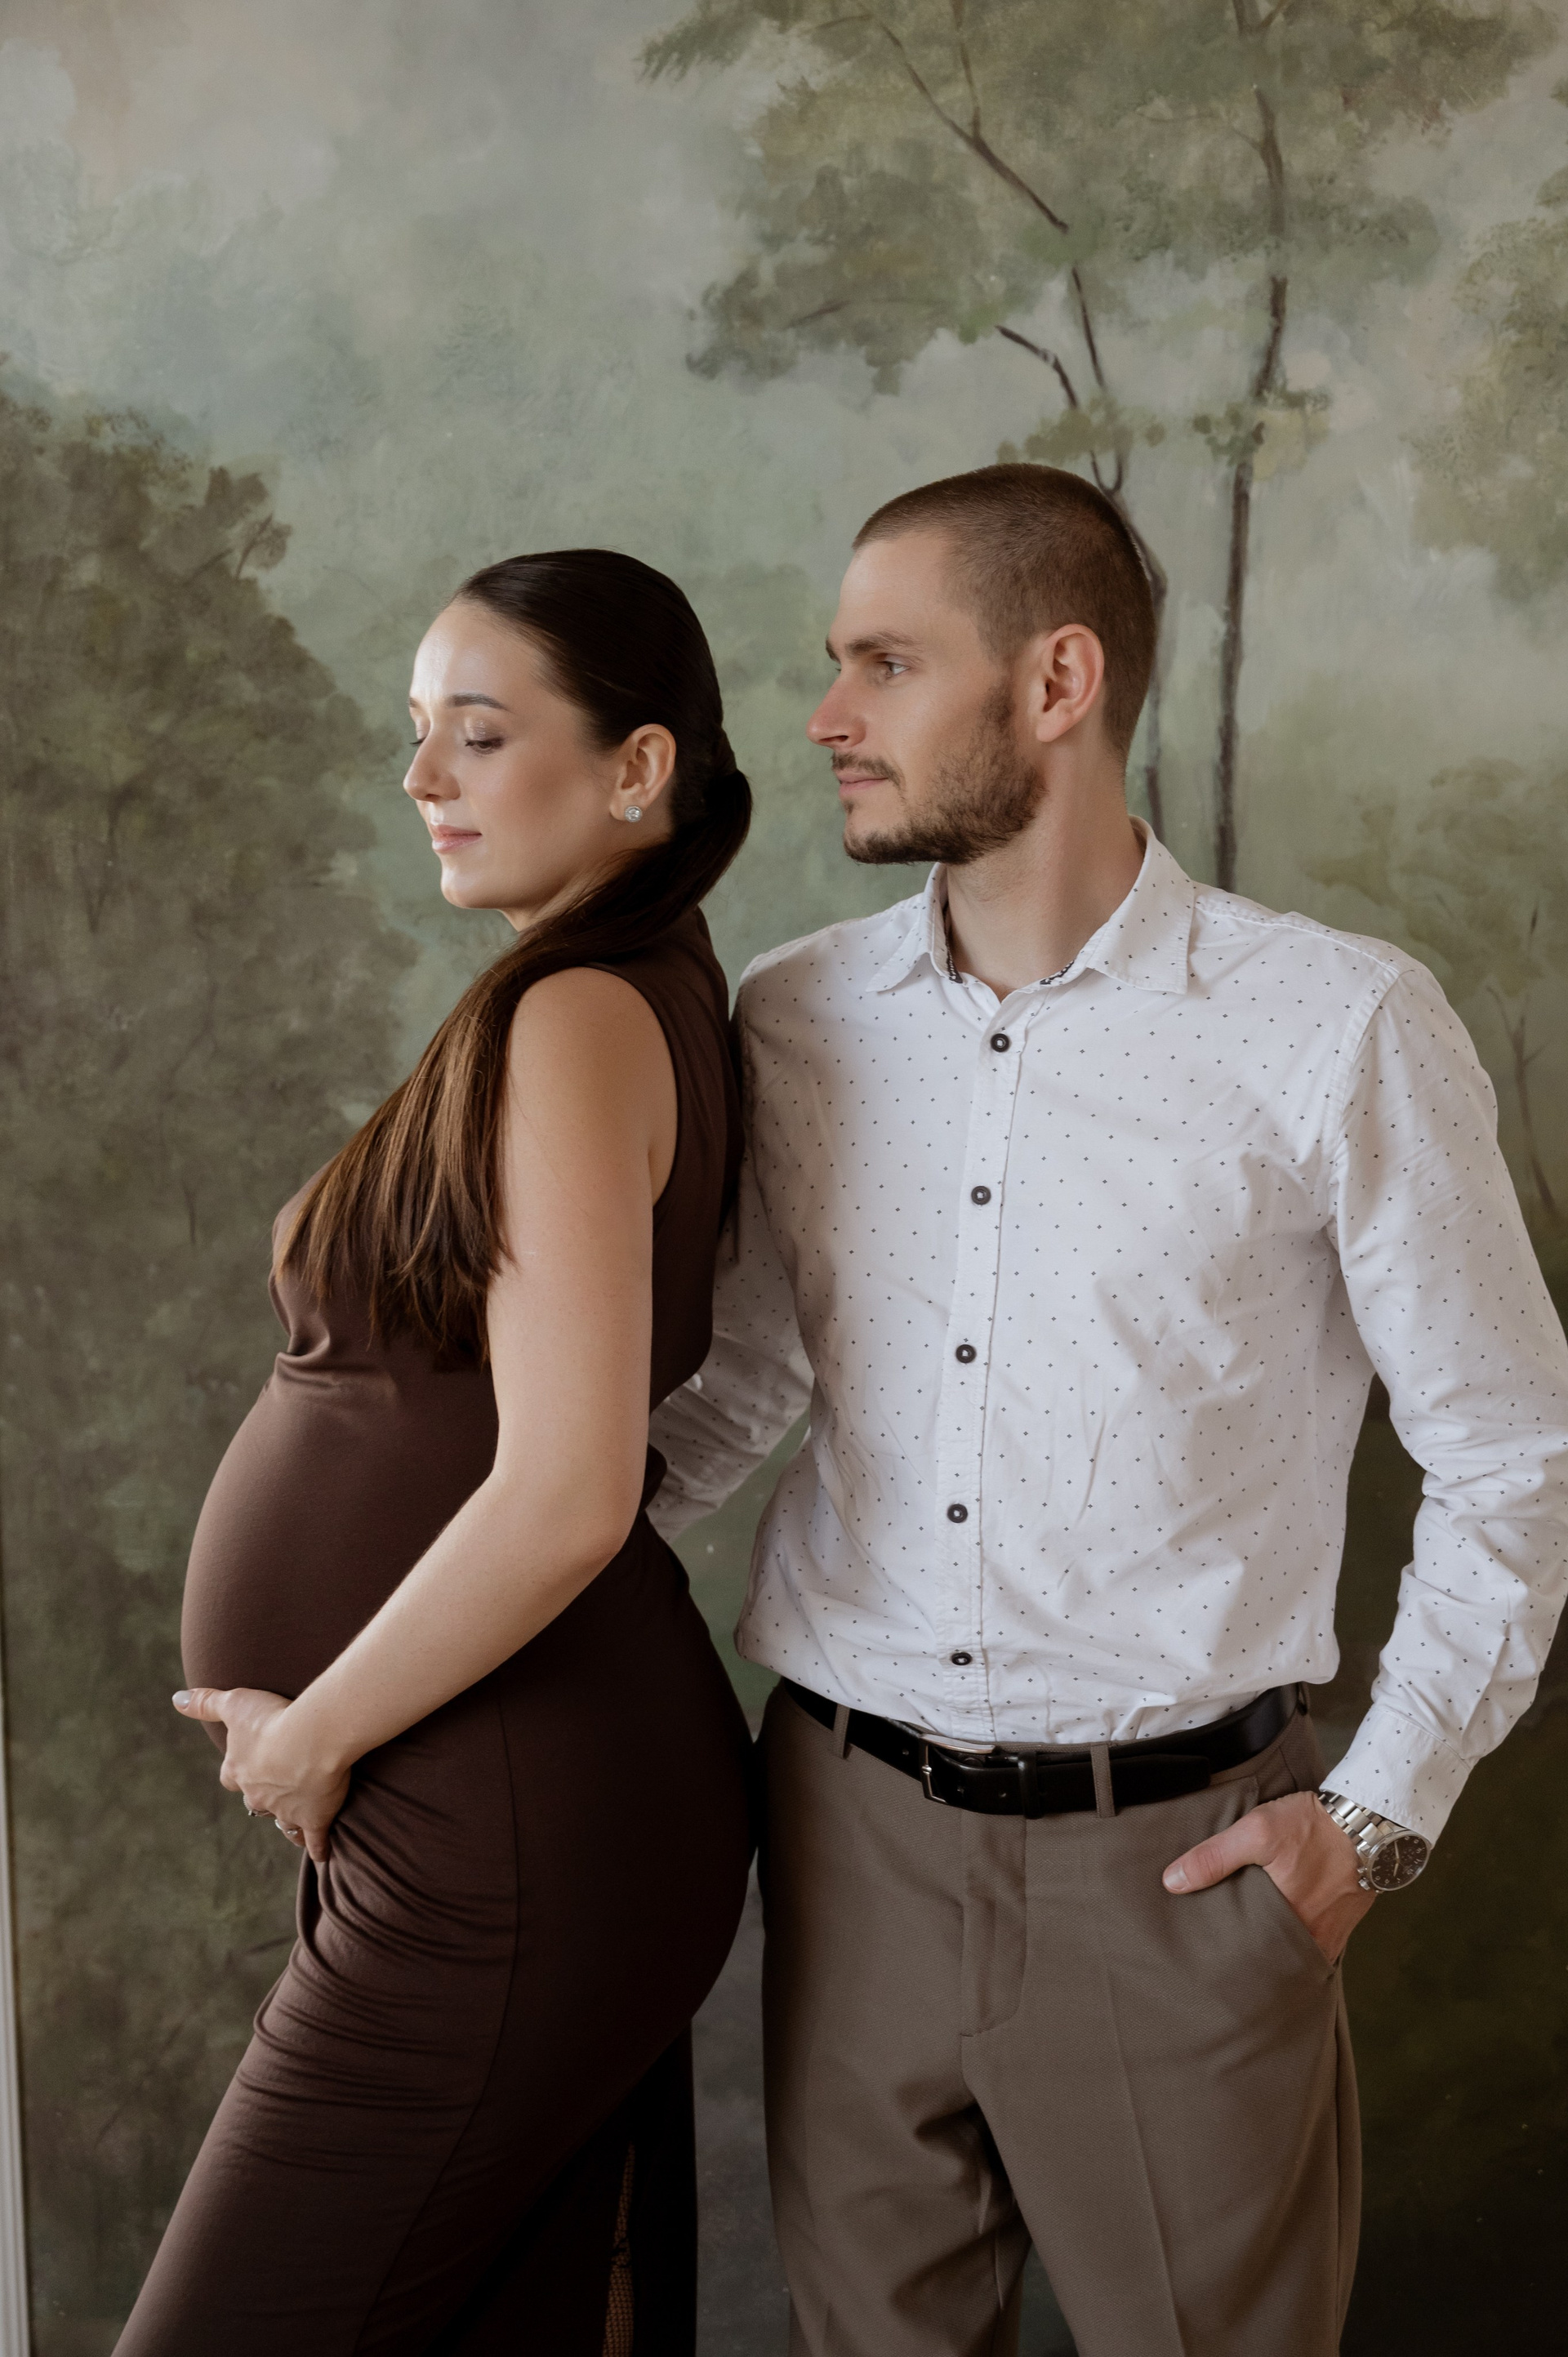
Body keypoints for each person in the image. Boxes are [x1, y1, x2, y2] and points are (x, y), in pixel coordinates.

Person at [648, 463, 1568, 2357]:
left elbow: (1513, 1456)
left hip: (1184, 1875)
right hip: (843, 1840)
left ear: (1057, 682)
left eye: (886, 664)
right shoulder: (793, 1020)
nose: (827, 716)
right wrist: (452, 1623)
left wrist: (1376, 1821)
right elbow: (736, 1392)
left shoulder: (1338, 1025)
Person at [118, 550, 755, 2355]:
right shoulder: (596, 991)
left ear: (638, 767)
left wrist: (315, 1731)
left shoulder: (581, 1013)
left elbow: (568, 1491)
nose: (421, 780)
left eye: (477, 735)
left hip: (510, 1829)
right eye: (418, 734)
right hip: (499, 1793)